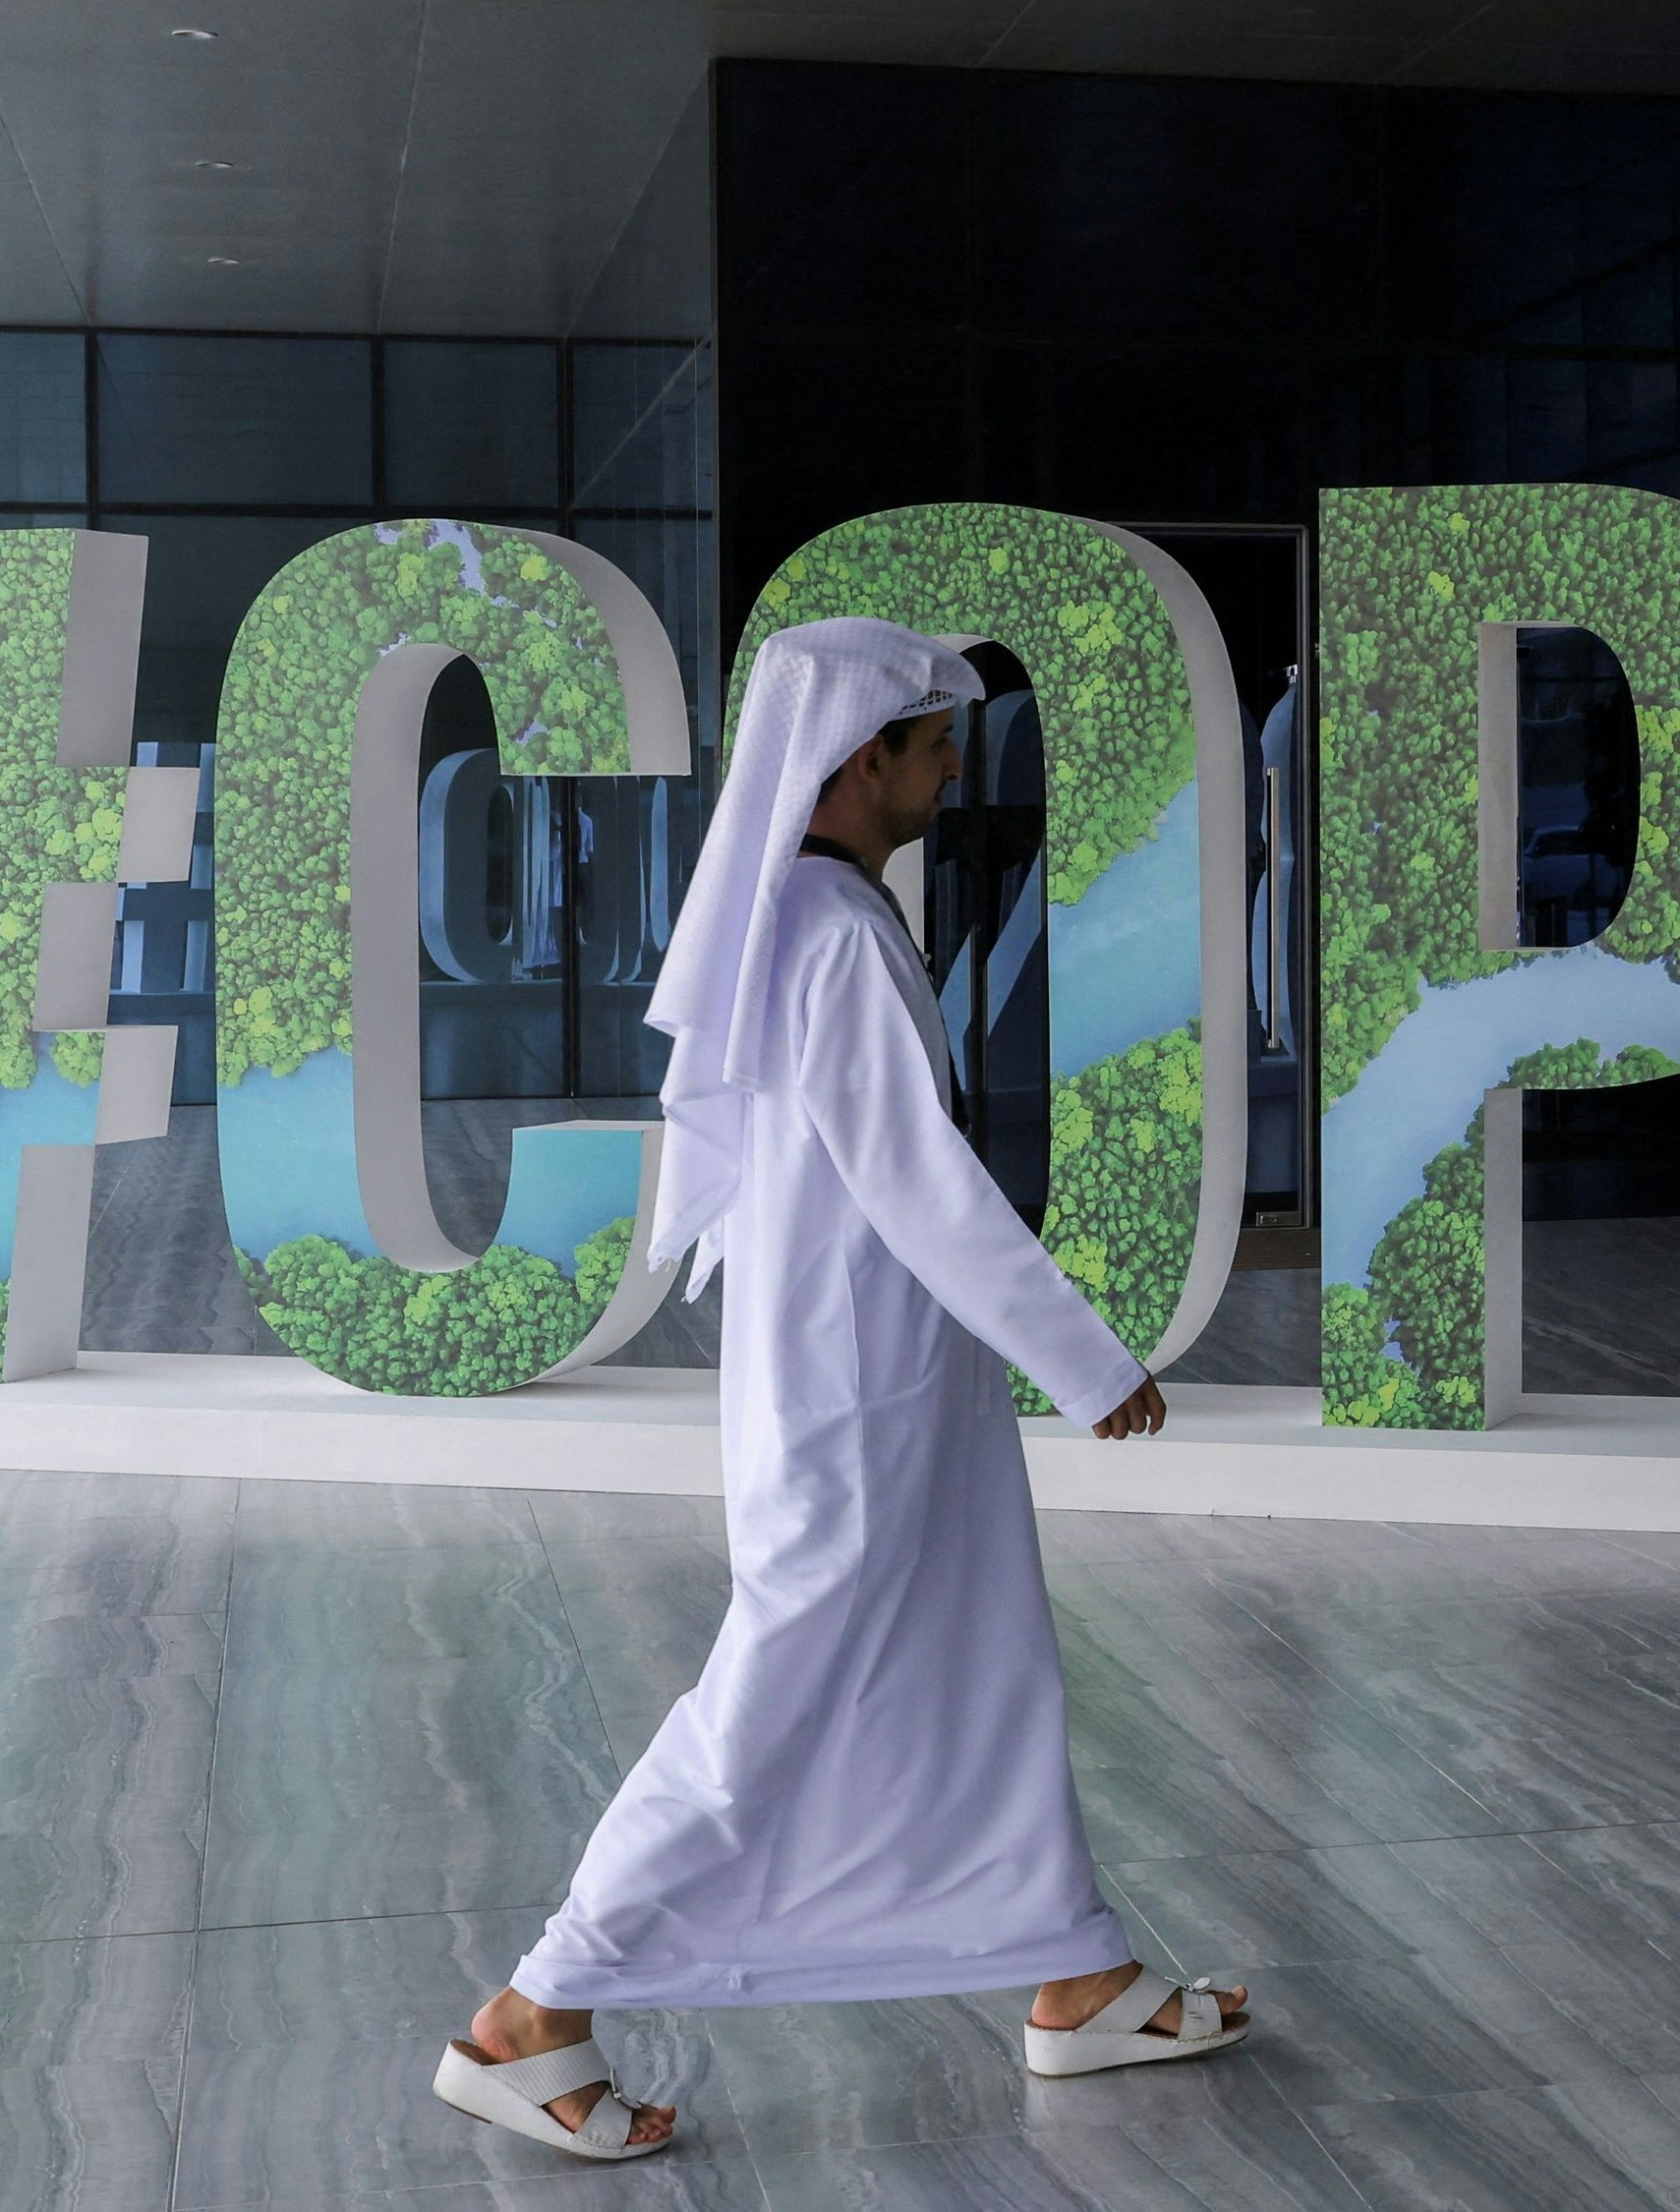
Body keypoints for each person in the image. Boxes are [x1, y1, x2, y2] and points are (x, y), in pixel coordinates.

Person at [430, 618, 1248, 2163]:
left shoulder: (808, 916)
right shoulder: (828, 929)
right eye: (937, 744)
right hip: (858, 1404)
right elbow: (921, 1181)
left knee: (985, 1661)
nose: (952, 771)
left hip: (880, 1384)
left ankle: (1077, 1971)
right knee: (770, 1706)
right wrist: (1087, 1359)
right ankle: (530, 2015)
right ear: (862, 755)